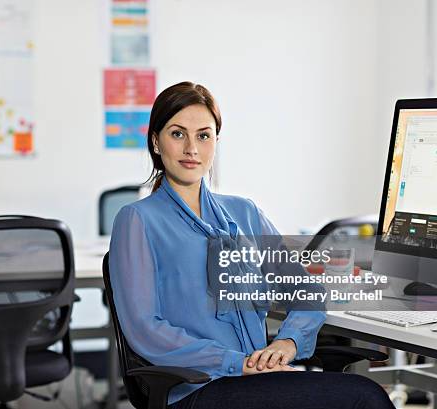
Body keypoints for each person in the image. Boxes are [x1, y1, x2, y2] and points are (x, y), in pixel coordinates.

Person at [109, 82, 395, 409]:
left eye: (203, 135)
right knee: (363, 396)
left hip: (259, 379)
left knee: (360, 394)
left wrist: (288, 341)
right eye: (177, 134)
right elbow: (146, 329)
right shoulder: (137, 220)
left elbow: (305, 290)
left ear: (216, 142)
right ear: (156, 142)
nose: (191, 148)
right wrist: (235, 363)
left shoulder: (244, 213)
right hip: (196, 388)